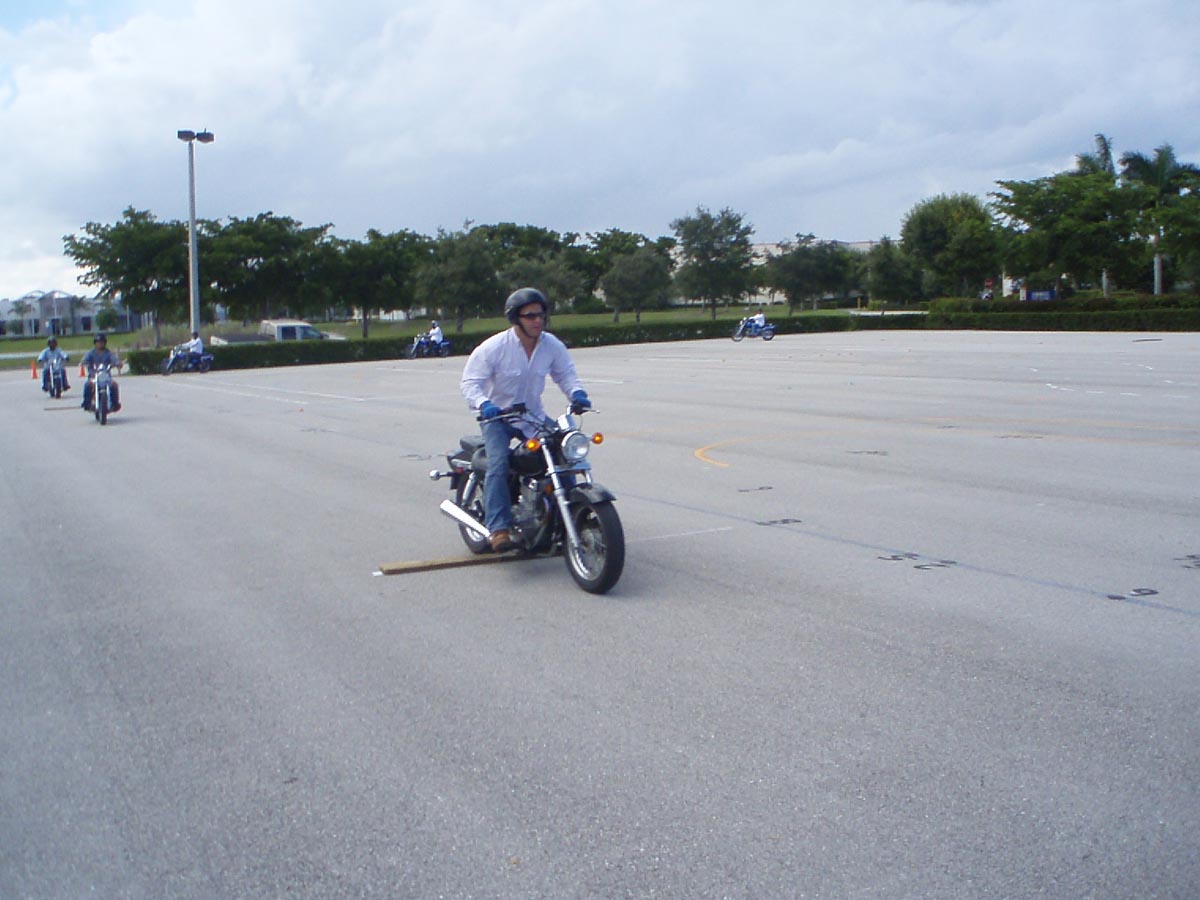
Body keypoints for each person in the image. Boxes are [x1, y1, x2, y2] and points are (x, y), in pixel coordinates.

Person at [460, 288, 590, 552]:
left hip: (532, 416)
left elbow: (565, 374)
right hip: (498, 417)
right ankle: (499, 528)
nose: (537, 320)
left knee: (564, 456)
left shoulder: (551, 345)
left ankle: (571, 515)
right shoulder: (495, 347)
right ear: (515, 319)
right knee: (499, 464)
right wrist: (484, 404)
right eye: (530, 316)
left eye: (541, 315)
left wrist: (577, 393)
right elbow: (470, 382)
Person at [80, 333, 122, 413]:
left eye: (102, 342)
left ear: (105, 343)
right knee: (87, 385)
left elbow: (115, 359)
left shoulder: (109, 353)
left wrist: (118, 363)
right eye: (98, 342)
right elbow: (84, 360)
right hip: (93, 376)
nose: (100, 344)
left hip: (106, 377)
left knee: (114, 385)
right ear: (95, 343)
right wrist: (83, 362)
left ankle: (115, 404)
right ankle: (87, 403)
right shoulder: (90, 353)